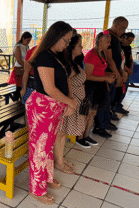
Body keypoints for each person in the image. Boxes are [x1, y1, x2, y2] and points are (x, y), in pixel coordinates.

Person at [26, 21, 76, 204]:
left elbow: (67, 79)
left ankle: (46, 178)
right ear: (55, 37)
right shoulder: (44, 57)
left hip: (55, 107)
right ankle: (36, 189)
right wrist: (70, 102)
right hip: (43, 107)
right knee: (39, 149)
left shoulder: (59, 55)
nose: (67, 44)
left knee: (47, 147)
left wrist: (69, 102)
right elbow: (50, 88)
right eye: (66, 40)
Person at [55, 34, 84, 174]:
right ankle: (59, 162)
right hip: (66, 103)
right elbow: (66, 84)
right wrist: (70, 102)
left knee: (63, 133)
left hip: (72, 103)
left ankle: (60, 158)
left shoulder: (72, 62)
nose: (82, 47)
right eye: (79, 45)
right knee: (60, 133)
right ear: (71, 47)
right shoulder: (66, 65)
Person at [83, 32, 114, 146]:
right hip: (91, 87)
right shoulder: (91, 55)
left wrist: (108, 75)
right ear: (100, 40)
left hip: (99, 87)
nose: (109, 44)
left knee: (93, 113)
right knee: (86, 114)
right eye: (107, 41)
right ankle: (80, 137)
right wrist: (105, 77)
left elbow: (99, 70)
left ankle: (86, 136)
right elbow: (87, 75)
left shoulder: (101, 53)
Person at [12, 32, 33, 101]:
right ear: (23, 38)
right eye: (27, 40)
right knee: (19, 87)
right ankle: (17, 101)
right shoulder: (18, 46)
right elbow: (19, 60)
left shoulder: (27, 46)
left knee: (24, 86)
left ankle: (21, 101)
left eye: (29, 41)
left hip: (25, 69)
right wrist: (28, 66)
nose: (28, 42)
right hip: (19, 69)